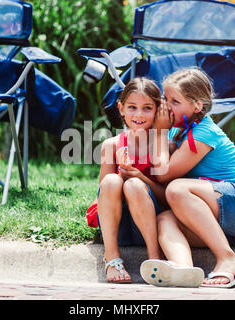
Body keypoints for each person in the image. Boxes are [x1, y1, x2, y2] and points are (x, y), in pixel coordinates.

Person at [141, 67, 235, 288]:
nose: (165, 106)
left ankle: (227, 258)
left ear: (197, 106)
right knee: (164, 220)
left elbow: (163, 175)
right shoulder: (177, 132)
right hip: (231, 223)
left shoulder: (204, 132)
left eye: (174, 101)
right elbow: (159, 181)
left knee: (177, 189)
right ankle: (183, 269)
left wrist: (160, 133)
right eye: (165, 98)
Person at [96, 77, 166, 283]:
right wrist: (120, 176)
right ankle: (112, 258)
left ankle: (155, 258)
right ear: (121, 108)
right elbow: (102, 196)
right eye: (132, 107)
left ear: (158, 110)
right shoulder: (111, 145)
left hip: (149, 226)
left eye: (147, 108)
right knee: (111, 182)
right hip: (117, 228)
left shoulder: (164, 146)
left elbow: (167, 197)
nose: (138, 114)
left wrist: (140, 177)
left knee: (135, 185)